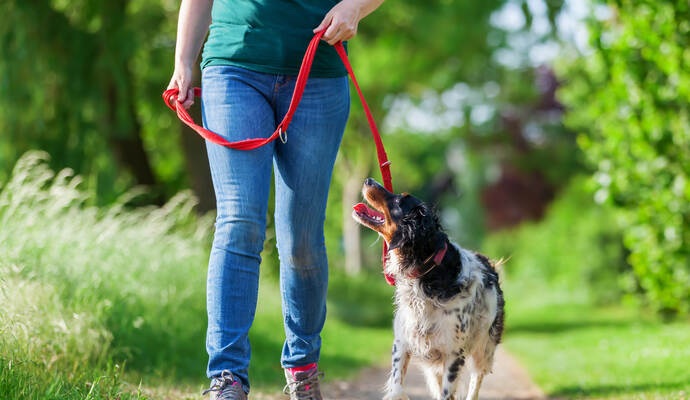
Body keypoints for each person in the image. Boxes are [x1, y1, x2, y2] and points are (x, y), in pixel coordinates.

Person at [167, 0, 384, 399]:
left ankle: (303, 366)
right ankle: (227, 377)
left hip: (319, 72)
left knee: (300, 237)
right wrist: (184, 61)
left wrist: (355, 7)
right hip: (235, 65)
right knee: (238, 222)